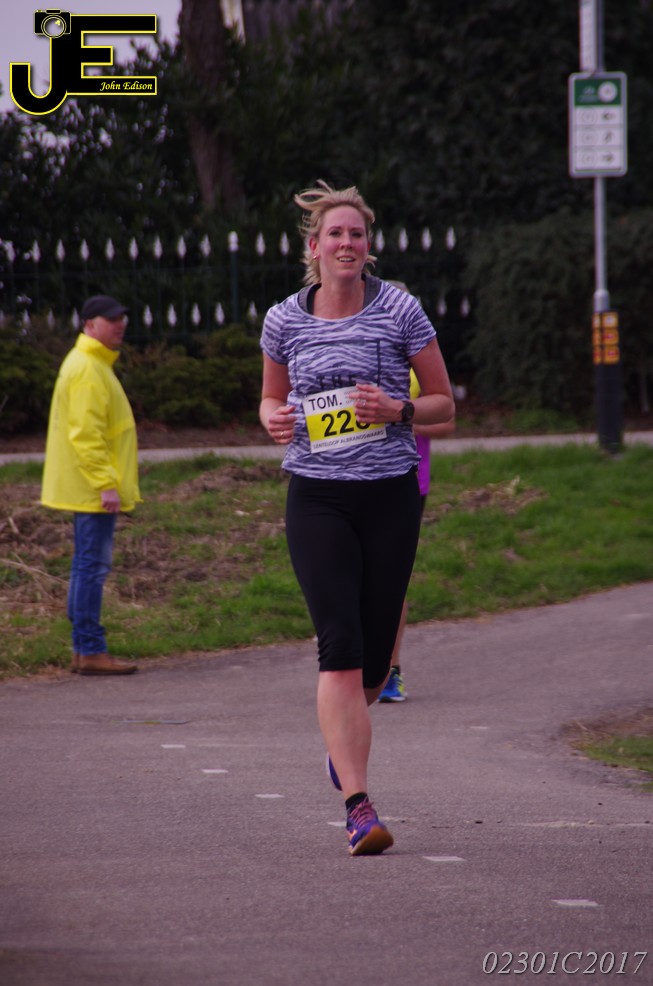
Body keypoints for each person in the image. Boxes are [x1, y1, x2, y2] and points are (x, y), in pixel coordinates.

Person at [259, 182, 454, 855]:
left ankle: (340, 741)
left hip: (389, 496)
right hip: (317, 497)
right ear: (313, 247)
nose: (346, 243)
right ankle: (359, 808)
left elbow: (444, 405)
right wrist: (273, 419)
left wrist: (397, 410)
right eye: (334, 234)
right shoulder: (283, 320)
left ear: (367, 246)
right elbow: (269, 400)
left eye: (356, 234)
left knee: (370, 671)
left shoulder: (399, 309)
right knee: (337, 647)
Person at [41, 294, 141, 676]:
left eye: (121, 318)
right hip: (92, 488)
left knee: (87, 565)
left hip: (87, 486)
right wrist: (105, 483)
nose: (120, 325)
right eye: (110, 319)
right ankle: (89, 649)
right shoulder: (87, 367)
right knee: (91, 567)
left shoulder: (92, 363)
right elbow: (86, 434)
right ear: (89, 325)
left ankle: (84, 650)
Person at [378, 283, 456, 703]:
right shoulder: (354, 353)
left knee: (391, 578)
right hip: (349, 479)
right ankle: (349, 662)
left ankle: (391, 670)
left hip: (409, 478)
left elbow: (447, 421)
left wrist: (400, 417)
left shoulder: (416, 365)